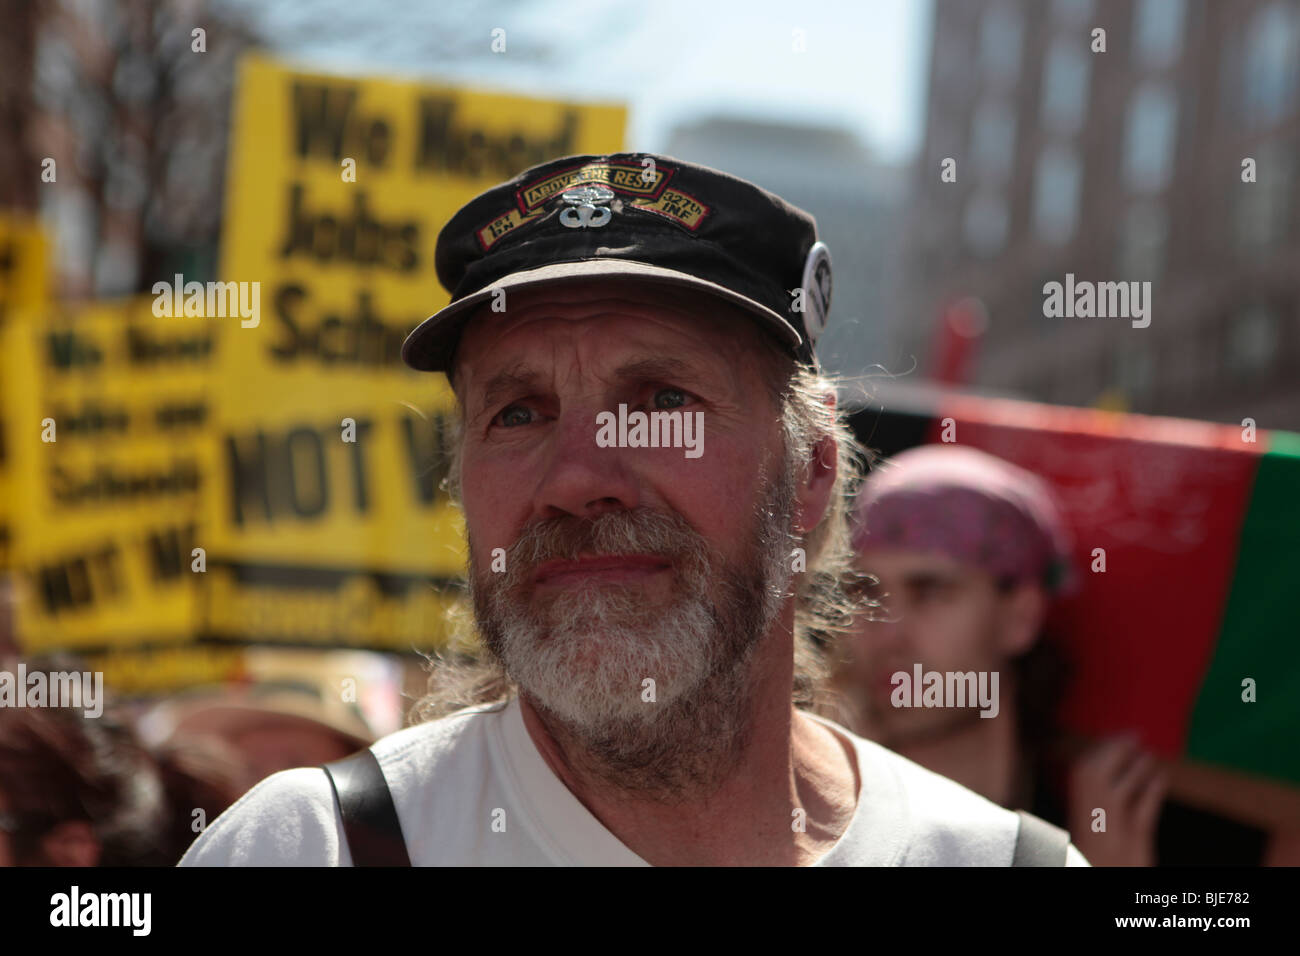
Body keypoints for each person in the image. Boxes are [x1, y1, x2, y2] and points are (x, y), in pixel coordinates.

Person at [180, 152, 1088, 866]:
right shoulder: (311, 848)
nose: (578, 477)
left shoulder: (1003, 863)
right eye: (519, 412)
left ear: (811, 473)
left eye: (662, 401)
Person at [825, 443, 1284, 867]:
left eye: (931, 592)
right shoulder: (820, 814)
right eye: (866, 592)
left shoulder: (1133, 824)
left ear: (1020, 617)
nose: (887, 633)